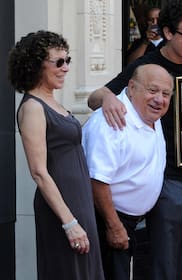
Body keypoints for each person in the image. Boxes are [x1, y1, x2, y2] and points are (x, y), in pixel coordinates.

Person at [87, 1, 182, 279]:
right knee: (163, 264)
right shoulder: (145, 66)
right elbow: (93, 98)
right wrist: (109, 97)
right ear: (168, 33)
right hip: (166, 178)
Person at [8, 30, 104, 279]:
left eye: (68, 61)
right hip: (61, 207)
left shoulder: (54, 103)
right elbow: (39, 172)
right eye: (59, 62)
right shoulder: (32, 107)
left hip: (79, 201)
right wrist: (69, 222)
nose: (66, 68)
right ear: (36, 65)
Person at [82, 64, 173, 280]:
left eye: (166, 94)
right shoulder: (112, 120)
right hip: (108, 220)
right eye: (152, 90)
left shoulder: (147, 112)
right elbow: (97, 180)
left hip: (138, 222)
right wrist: (114, 226)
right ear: (131, 88)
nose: (159, 99)